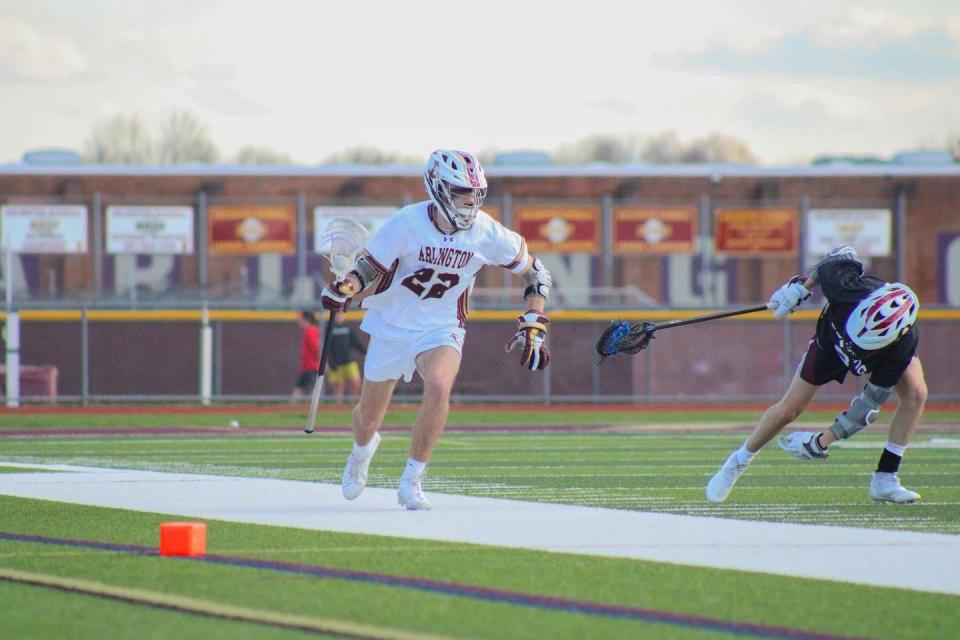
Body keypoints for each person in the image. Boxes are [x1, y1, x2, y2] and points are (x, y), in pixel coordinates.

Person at [321, 149, 552, 510]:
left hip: (442, 325)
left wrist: (535, 320)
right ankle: (361, 451)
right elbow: (367, 269)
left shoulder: (485, 231)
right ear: (439, 188)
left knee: (440, 384)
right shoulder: (406, 223)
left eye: (475, 192)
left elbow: (537, 273)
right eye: (462, 191)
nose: (470, 200)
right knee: (367, 418)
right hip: (392, 323)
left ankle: (412, 480)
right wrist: (344, 288)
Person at [706, 246, 926, 504]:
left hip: (878, 359)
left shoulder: (899, 349)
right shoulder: (847, 289)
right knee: (788, 411)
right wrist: (802, 286)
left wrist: (821, 442)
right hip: (829, 344)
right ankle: (737, 462)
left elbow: (867, 407)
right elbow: (838, 256)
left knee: (916, 392)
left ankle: (885, 478)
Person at [326, 311, 366, 402]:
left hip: (349, 361)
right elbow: (326, 348)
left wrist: (365, 352)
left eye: (341, 314)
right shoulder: (329, 328)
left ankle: (352, 402)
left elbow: (355, 342)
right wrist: (327, 363)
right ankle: (339, 406)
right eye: (337, 315)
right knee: (339, 386)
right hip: (335, 363)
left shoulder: (348, 327)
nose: (339, 316)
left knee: (356, 382)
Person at [292, 310, 320, 398]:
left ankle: (312, 409)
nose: (299, 321)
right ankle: (292, 408)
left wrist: (323, 363)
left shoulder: (311, 330)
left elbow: (317, 348)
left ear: (307, 319)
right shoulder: (308, 330)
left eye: (301, 319)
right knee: (298, 388)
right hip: (306, 367)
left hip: (312, 367)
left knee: (311, 389)